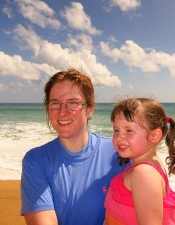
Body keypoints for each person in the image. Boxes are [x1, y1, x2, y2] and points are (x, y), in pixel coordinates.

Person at [20, 68, 128, 225]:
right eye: (55, 103)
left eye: (73, 103)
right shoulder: (36, 160)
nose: (62, 112)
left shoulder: (119, 154)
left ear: (90, 109)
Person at [104, 98, 175, 225]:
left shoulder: (143, 173)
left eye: (129, 131)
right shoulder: (151, 164)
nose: (119, 137)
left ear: (154, 136)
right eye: (116, 130)